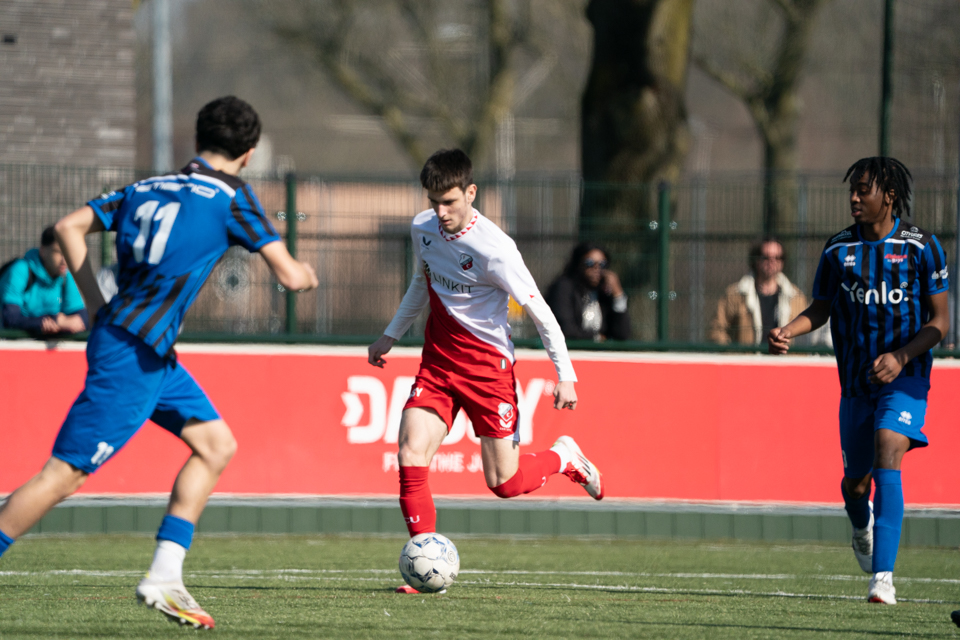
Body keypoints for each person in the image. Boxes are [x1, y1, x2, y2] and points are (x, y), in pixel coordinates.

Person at [0, 96, 318, 628]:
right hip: (133, 353)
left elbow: (66, 227)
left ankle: (165, 576)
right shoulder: (233, 196)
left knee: (216, 445)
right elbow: (288, 276)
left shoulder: (146, 187)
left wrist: (94, 308)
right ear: (249, 152)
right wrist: (307, 274)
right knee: (63, 476)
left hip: (145, 349)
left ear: (196, 141)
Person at [367, 149, 603, 593]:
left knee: (505, 483)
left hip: (487, 373)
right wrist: (390, 335)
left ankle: (563, 457)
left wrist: (565, 374)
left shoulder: (496, 250)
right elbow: (423, 282)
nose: (441, 212)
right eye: (434, 201)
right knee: (410, 455)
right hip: (437, 365)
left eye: (450, 202)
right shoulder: (423, 229)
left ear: (471, 193)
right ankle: (424, 564)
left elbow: (540, 312)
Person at [769, 157, 949, 605]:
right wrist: (790, 329)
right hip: (854, 385)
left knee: (890, 446)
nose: (853, 197)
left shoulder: (921, 247)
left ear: (888, 196)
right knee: (855, 483)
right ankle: (860, 522)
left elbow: (941, 321)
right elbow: (823, 306)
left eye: (863, 190)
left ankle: (882, 578)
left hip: (905, 377)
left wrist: (902, 355)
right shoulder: (838, 250)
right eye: (852, 190)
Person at [710, 238, 818, 347]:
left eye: (777, 258)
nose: (772, 262)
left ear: (783, 262)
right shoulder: (736, 294)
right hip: (748, 361)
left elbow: (808, 334)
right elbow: (717, 328)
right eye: (766, 257)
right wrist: (733, 355)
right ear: (756, 260)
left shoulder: (795, 297)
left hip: (784, 361)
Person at [0, 226, 88, 335]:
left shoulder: (66, 276)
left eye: (68, 252)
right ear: (43, 251)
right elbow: (10, 318)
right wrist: (55, 320)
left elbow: (82, 318)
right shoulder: (20, 270)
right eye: (58, 252)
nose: (64, 261)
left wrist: (70, 322)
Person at [546, 241, 630, 341]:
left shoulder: (603, 294)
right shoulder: (563, 288)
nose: (596, 268)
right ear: (578, 264)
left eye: (602, 264)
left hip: (599, 354)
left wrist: (618, 296)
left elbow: (622, 334)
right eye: (589, 263)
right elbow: (566, 329)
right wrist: (597, 338)